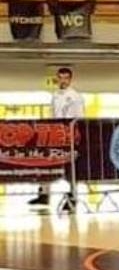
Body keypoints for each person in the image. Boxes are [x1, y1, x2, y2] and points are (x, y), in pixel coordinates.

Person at [28, 67, 84, 211]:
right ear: (57, 79)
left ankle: (73, 197)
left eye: (66, 78)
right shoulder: (55, 95)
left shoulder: (75, 97)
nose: (63, 81)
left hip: (69, 136)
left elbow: (79, 118)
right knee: (46, 163)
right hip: (55, 134)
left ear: (70, 79)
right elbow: (52, 114)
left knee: (71, 169)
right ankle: (44, 194)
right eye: (60, 78)